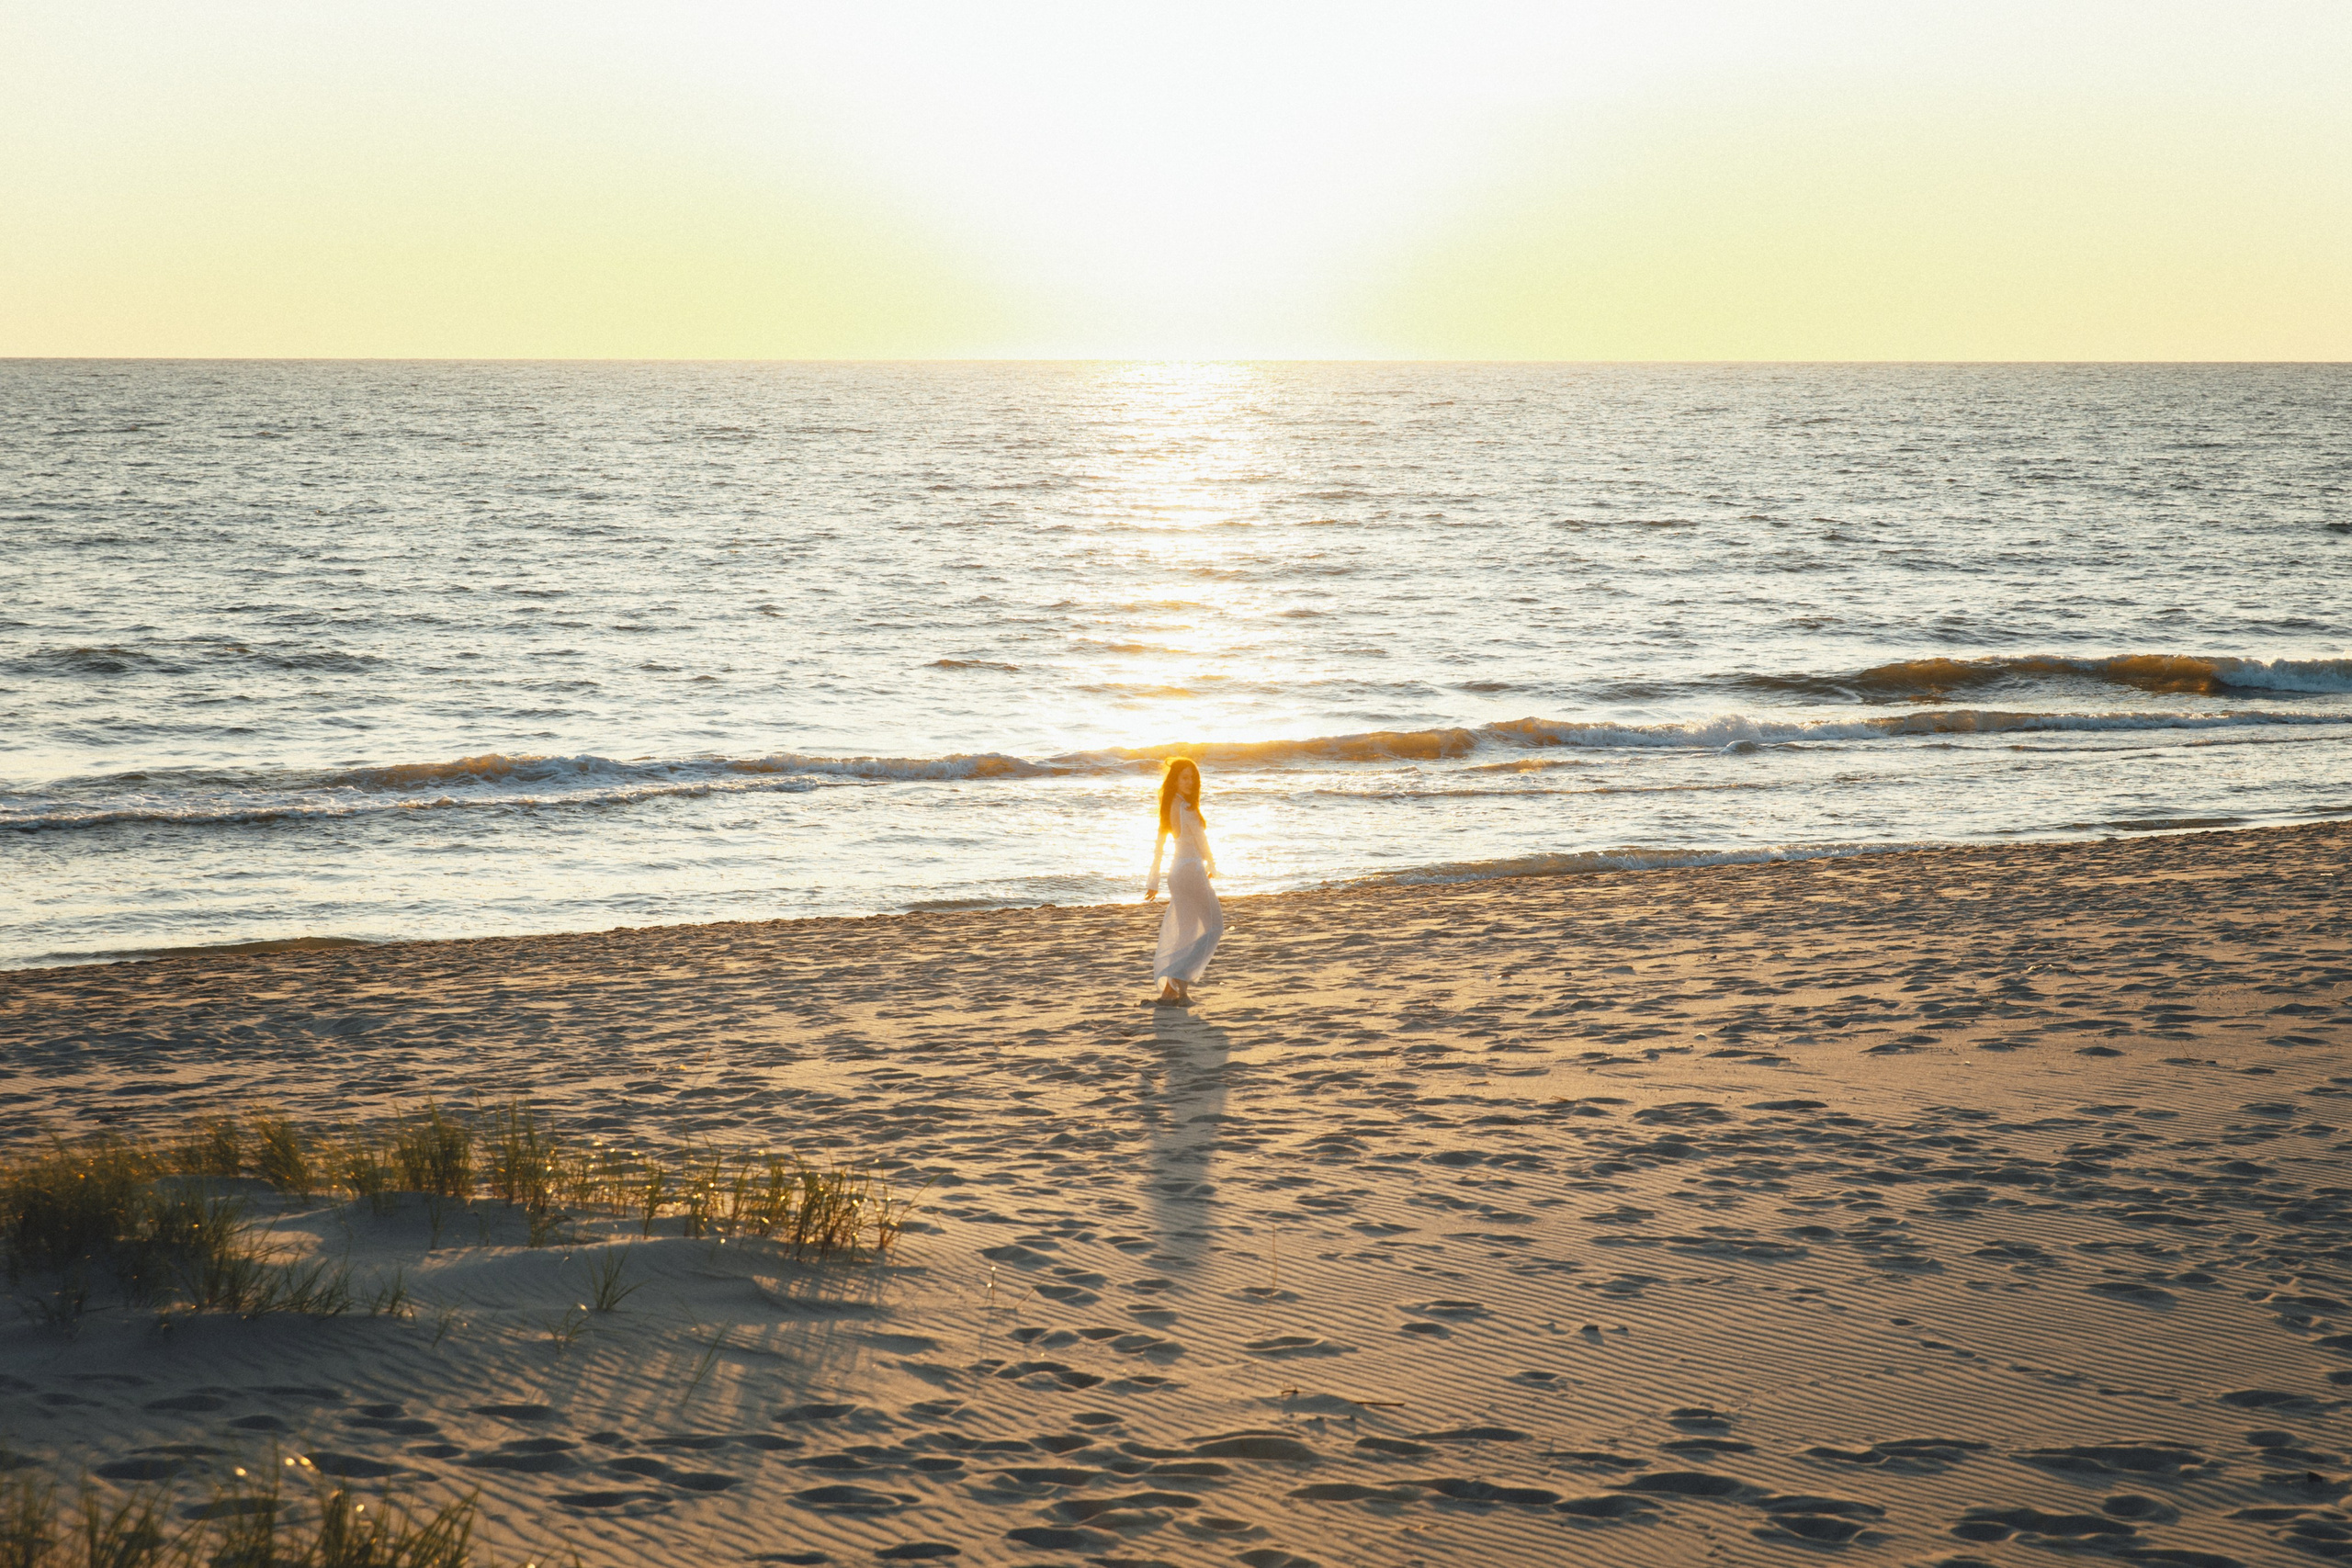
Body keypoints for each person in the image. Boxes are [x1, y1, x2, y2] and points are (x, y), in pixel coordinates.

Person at [1142, 757, 1222, 1006]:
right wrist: (1212, 864)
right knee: (1215, 927)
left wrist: (1153, 881)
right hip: (1190, 872)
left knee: (1186, 934)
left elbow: (1159, 846)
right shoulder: (1185, 808)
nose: (1189, 782)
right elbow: (1201, 841)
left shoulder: (1169, 806)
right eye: (1184, 777)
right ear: (1175, 780)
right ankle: (1177, 977)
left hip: (1176, 873)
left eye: (1193, 778)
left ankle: (1173, 993)